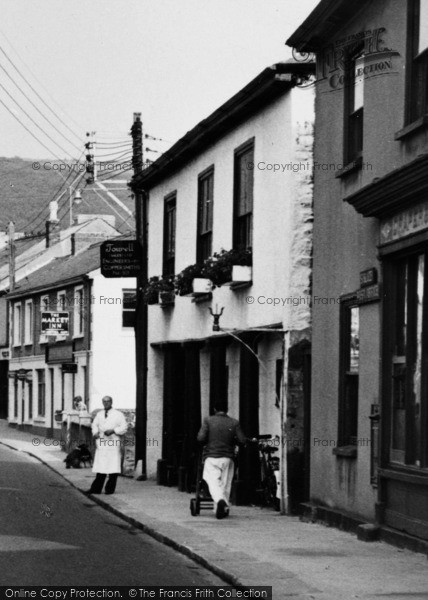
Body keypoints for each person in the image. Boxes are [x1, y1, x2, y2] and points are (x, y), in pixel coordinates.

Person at [197, 401, 247, 519]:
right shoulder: (234, 422)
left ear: (214, 409)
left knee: (213, 481)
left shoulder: (208, 420)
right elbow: (242, 440)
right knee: (225, 483)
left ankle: (220, 501)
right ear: (227, 409)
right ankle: (221, 509)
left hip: (212, 456)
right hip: (227, 457)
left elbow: (200, 438)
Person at [86, 396, 128, 495]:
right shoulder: (99, 414)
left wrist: (114, 430)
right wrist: (95, 433)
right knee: (101, 467)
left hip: (113, 443)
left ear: (111, 402)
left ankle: (109, 490)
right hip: (102, 443)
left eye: (108, 401)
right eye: (104, 401)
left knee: (113, 467)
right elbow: (94, 425)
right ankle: (96, 489)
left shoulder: (118, 414)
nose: (106, 403)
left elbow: (124, 427)